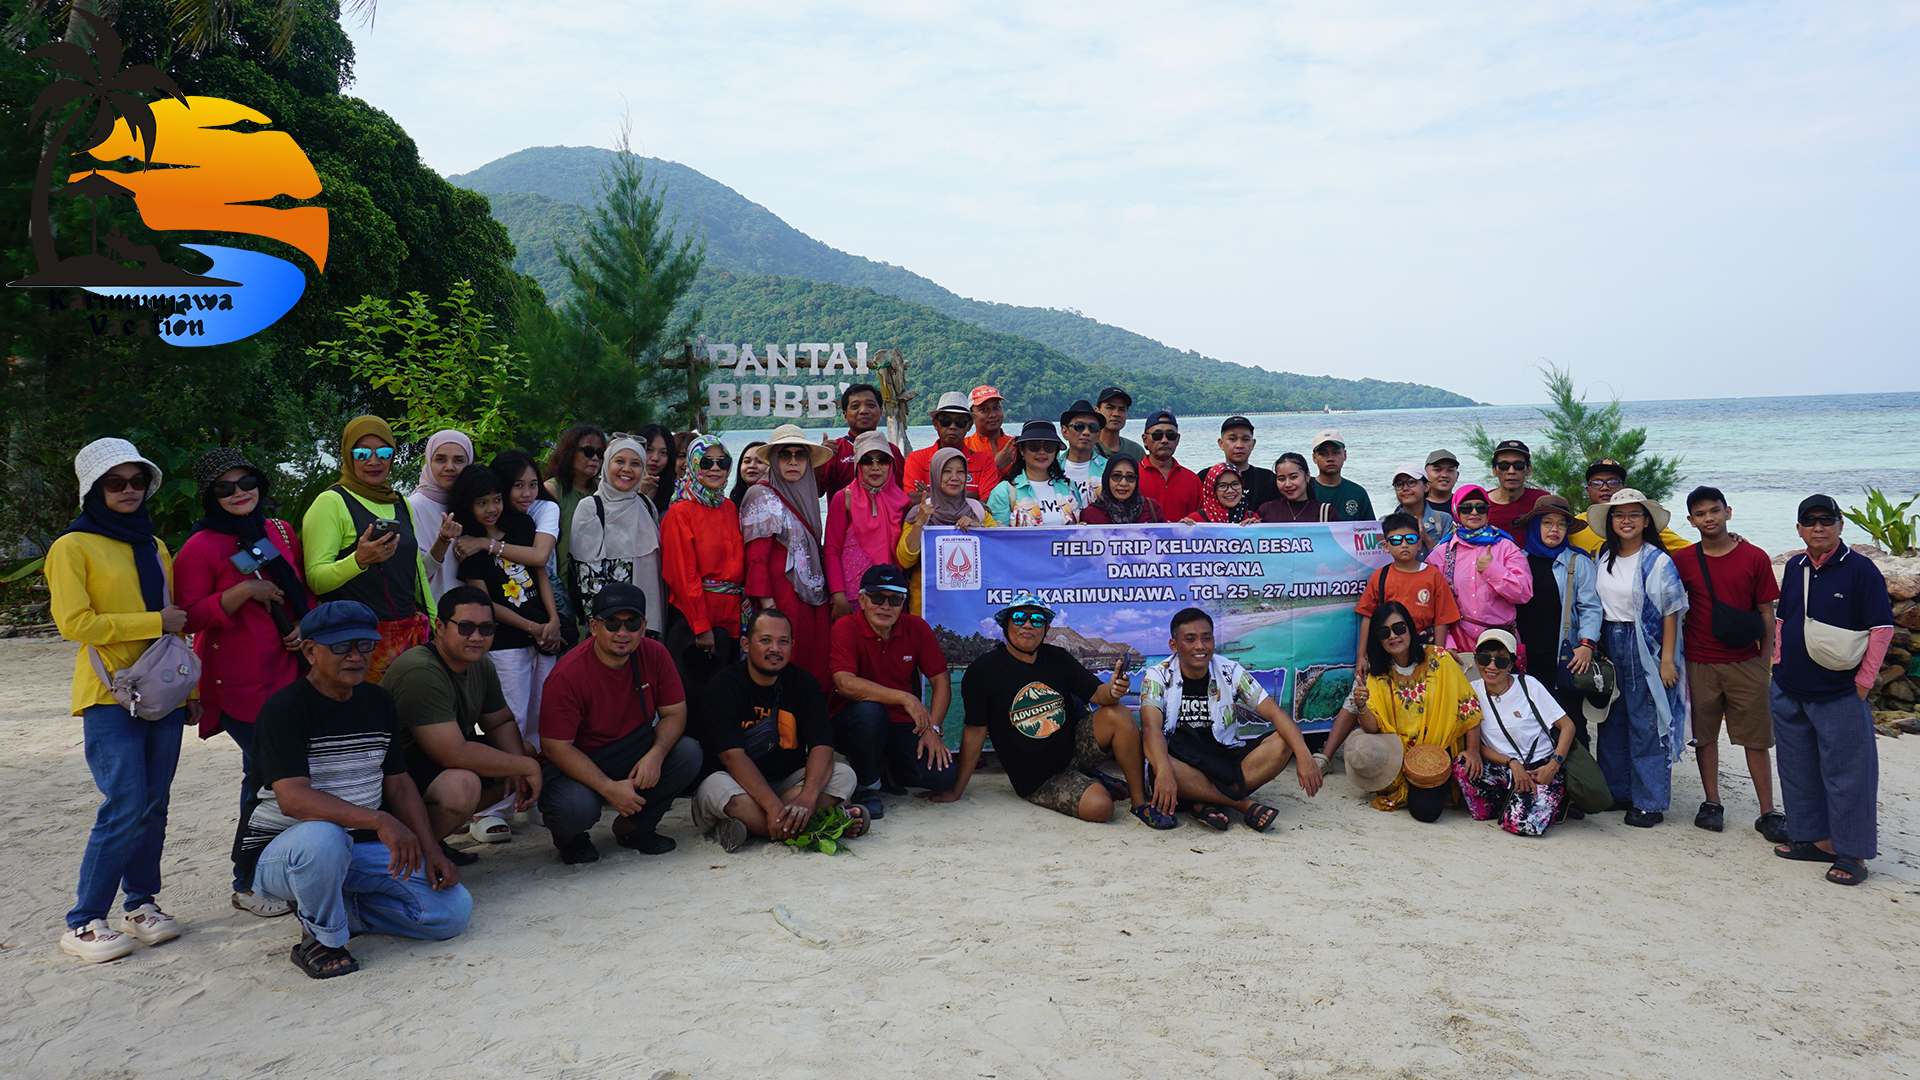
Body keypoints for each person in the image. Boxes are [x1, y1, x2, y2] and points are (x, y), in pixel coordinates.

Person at [238, 600, 471, 979]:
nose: (355, 656)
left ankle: (339, 912)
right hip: (281, 853)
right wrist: (380, 820)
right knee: (322, 838)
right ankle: (319, 939)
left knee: (451, 913)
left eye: (365, 645)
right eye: (341, 646)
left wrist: (432, 850)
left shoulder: (378, 701)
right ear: (310, 651)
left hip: (353, 849)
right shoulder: (285, 709)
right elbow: (293, 799)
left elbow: (399, 782)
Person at [47, 439, 195, 963]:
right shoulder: (72, 547)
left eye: (137, 481)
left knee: (154, 802)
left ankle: (141, 904)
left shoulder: (154, 545)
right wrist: (154, 622)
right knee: (125, 802)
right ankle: (84, 921)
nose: (129, 491)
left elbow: (172, 622)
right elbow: (74, 623)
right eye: (116, 483)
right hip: (109, 693)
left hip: (162, 692)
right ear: (94, 490)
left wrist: (190, 691)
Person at [175, 447, 310, 918]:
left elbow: (297, 587)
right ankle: (247, 880)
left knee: (274, 776)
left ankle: (278, 870)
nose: (239, 494)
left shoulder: (275, 531)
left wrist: (303, 627)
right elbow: (188, 615)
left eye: (246, 483)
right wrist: (241, 591)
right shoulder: (200, 547)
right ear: (210, 496)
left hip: (289, 670)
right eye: (225, 488)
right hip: (238, 682)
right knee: (269, 777)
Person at [941, 594, 1161, 825]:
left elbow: (1098, 693)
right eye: (1018, 618)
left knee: (1118, 713)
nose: (1028, 624)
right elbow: (975, 732)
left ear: (1045, 628)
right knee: (1101, 808)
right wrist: (957, 790)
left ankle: (1140, 802)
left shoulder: (1058, 658)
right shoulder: (982, 671)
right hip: (1039, 778)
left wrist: (1115, 690)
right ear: (1005, 625)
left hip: (1073, 750)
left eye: (1037, 619)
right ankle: (1096, 782)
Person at [1770, 495, 1892, 887]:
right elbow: (1783, 617)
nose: (1818, 527)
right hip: (1790, 684)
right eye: (1810, 521)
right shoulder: (1795, 566)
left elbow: (1882, 629)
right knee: (1797, 766)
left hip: (1839, 690)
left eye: (1827, 519)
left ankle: (1851, 852)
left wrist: (1864, 682)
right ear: (1799, 528)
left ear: (1840, 524)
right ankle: (1814, 840)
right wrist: (1777, 664)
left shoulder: (1861, 570)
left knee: (1849, 774)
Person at [537, 583, 703, 864]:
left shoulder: (655, 654)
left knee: (688, 753)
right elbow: (556, 748)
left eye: (632, 623)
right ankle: (571, 838)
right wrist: (607, 787)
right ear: (593, 626)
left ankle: (635, 827)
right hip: (579, 761)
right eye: (612, 622)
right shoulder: (568, 673)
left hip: (631, 749)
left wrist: (656, 755)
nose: (622, 633)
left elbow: (675, 713)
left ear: (644, 626)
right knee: (574, 809)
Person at [383, 587, 542, 863]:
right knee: (463, 787)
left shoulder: (479, 663)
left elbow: (499, 721)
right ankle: (405, 854)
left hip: (428, 765)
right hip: (390, 777)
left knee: (523, 752)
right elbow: (452, 753)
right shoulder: (420, 669)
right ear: (440, 627)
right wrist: (525, 767)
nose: (477, 637)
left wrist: (520, 763)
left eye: (486, 628)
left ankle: (431, 840)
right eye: (466, 627)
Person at [694, 608, 868, 852]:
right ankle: (820, 825)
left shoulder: (804, 684)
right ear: (745, 644)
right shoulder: (723, 686)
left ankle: (753, 828)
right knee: (715, 788)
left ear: (792, 645)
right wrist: (773, 807)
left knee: (844, 774)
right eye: (765, 640)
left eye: (783, 642)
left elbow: (822, 745)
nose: (775, 649)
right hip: (738, 785)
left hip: (789, 785)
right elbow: (732, 757)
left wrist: (807, 797)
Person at [1139, 608, 1322, 831]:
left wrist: (1303, 754)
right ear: (1174, 645)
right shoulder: (1157, 675)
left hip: (1222, 758)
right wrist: (1164, 771)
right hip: (1180, 760)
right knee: (1163, 764)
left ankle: (1204, 801)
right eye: (1190, 639)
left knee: (1284, 743)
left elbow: (1275, 714)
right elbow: (1150, 729)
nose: (1200, 646)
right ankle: (1242, 804)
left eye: (1207, 638)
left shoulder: (1229, 670)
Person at [1672, 487, 1786, 839]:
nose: (1710, 518)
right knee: (1704, 737)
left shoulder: (1754, 556)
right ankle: (1712, 802)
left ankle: (1768, 810)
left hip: (1746, 660)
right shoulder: (1684, 560)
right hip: (1699, 661)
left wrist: (1766, 658)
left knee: (1756, 739)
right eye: (1702, 513)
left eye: (1715, 511)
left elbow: (1767, 611)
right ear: (1691, 520)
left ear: (1728, 512)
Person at [451, 464, 562, 788]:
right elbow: (485, 605)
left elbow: (540, 572)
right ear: (468, 505)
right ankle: (496, 807)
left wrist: (552, 620)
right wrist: (532, 626)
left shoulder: (522, 526)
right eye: (482, 502)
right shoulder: (469, 547)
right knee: (511, 719)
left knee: (544, 716)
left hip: (543, 638)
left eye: (496, 499)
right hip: (506, 644)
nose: (492, 509)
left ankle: (535, 789)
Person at [300, 416, 433, 684]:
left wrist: (435, 620)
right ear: (348, 456)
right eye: (361, 453)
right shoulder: (331, 502)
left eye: (384, 453)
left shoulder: (400, 502)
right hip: (358, 642)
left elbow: (415, 570)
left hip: (410, 635)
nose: (374, 462)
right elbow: (316, 579)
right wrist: (358, 560)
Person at [1588, 489, 1689, 827]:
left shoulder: (1657, 560)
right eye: (1619, 515)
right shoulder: (1604, 555)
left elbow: (1671, 611)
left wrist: (1667, 661)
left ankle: (1650, 801)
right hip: (1609, 637)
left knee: (1647, 720)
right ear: (1610, 522)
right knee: (1612, 718)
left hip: (1644, 645)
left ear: (1646, 521)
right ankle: (1618, 791)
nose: (1626, 521)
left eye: (1633, 514)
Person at [1330, 601, 1482, 820]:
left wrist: (1474, 750)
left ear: (1410, 629)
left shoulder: (1439, 659)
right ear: (1378, 639)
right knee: (1422, 807)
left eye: (1399, 628)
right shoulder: (1377, 674)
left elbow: (1469, 706)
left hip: (1435, 755)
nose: (1393, 636)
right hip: (1397, 758)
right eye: (1384, 632)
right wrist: (1361, 706)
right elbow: (1373, 727)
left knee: (1426, 812)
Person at [829, 565, 957, 818]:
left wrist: (934, 729)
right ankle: (867, 787)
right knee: (870, 712)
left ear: (903, 603)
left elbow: (941, 680)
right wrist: (904, 697)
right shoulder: (845, 627)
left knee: (944, 777)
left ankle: (886, 770)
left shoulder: (917, 628)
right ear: (863, 600)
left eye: (895, 599)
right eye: (877, 598)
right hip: (853, 721)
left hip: (900, 723)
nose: (885, 606)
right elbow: (844, 683)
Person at [1455, 629, 1578, 837]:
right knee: (1462, 766)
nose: (1491, 666)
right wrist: (1512, 763)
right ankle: (1516, 801)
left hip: (1540, 768)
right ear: (1476, 659)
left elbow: (1567, 726)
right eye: (1485, 658)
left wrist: (1554, 764)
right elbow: (1477, 746)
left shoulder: (1528, 685)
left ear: (1511, 664)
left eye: (1501, 661)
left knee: (1521, 825)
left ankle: (1552, 801)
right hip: (1504, 766)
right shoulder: (1471, 691)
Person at [740, 425, 837, 687]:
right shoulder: (760, 494)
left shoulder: (806, 494)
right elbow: (756, 558)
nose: (793, 462)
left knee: (815, 664)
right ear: (773, 460)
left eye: (800, 455)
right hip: (780, 600)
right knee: (784, 663)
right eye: (785, 455)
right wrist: (768, 607)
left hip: (812, 598)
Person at [1509, 495, 1603, 749]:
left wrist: (1586, 645)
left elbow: (1590, 608)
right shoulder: (1518, 559)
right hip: (1525, 657)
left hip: (1563, 657)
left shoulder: (1578, 561)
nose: (1554, 529)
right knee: (1530, 722)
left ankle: (1579, 784)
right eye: (1547, 522)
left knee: (1571, 722)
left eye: (1561, 525)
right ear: (1535, 525)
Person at [661, 433, 747, 681]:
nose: (716, 468)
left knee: (726, 691)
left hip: (730, 617)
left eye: (723, 462)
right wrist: (701, 626)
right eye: (707, 462)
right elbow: (682, 575)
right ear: (693, 465)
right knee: (696, 694)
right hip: (695, 619)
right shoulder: (680, 511)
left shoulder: (728, 506)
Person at [569, 433, 664, 641]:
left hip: (647, 622)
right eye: (619, 461)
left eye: (636, 464)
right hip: (609, 628)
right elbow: (587, 580)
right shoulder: (590, 508)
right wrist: (608, 628)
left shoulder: (646, 505)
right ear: (606, 465)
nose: (627, 469)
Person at [1426, 485, 1532, 653]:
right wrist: (1448, 642)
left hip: (1501, 641)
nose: (1474, 512)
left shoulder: (1506, 547)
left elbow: (1524, 593)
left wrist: (1493, 570)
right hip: (1459, 643)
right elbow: (1432, 606)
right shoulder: (1441, 553)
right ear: (1456, 510)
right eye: (1466, 507)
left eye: (1481, 508)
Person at [897, 447, 994, 613]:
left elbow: (1000, 553)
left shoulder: (978, 511)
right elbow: (905, 559)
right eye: (947, 471)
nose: (954, 478)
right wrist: (920, 523)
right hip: (928, 607)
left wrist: (979, 530)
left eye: (961, 472)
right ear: (935, 474)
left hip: (972, 606)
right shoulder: (920, 512)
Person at [825, 430, 909, 620]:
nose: (875, 466)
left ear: (892, 465)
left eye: (882, 460)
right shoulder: (844, 497)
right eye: (866, 460)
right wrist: (838, 597)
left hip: (891, 595)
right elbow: (831, 550)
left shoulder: (902, 501)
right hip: (853, 595)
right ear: (857, 466)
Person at [544, 423, 607, 632]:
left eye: (600, 453)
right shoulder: (553, 489)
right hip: (560, 587)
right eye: (588, 452)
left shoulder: (602, 494)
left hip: (594, 586)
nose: (595, 458)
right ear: (570, 451)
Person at [1570, 459, 1692, 555]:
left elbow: (1689, 552)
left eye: (1613, 482)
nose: (1604, 488)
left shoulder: (1641, 524)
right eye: (1596, 483)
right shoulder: (1576, 526)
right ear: (1587, 490)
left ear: (1624, 488)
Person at [409, 429, 474, 601]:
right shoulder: (415, 505)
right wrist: (442, 541)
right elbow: (418, 574)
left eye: (459, 460)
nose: (449, 467)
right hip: (436, 613)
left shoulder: (475, 503)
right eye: (440, 459)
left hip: (474, 613)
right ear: (429, 462)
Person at [985, 419, 1083, 527]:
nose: (1042, 452)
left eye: (1049, 446)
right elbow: (995, 536)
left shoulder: (1070, 487)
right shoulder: (1004, 492)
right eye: (1034, 446)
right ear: (1022, 450)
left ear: (1056, 451)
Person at [903, 391, 998, 500]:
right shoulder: (917, 459)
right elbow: (912, 499)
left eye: (960, 422)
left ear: (969, 426)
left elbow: (986, 502)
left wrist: (931, 495)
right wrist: (968, 495)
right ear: (935, 424)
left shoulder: (985, 461)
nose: (952, 427)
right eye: (946, 421)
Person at [820, 383, 906, 498]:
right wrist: (818, 459)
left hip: (890, 516)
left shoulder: (892, 451)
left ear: (880, 412)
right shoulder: (835, 450)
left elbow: (903, 492)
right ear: (845, 415)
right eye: (855, 407)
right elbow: (815, 491)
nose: (863, 411)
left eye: (870, 405)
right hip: (845, 515)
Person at [1137, 410, 1202, 522]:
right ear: (1145, 440)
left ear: (1177, 440)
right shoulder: (1131, 477)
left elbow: (1203, 521)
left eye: (1170, 435)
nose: (1164, 440)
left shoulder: (1193, 480)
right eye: (1157, 435)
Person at [1483, 440, 1548, 537]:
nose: (1511, 471)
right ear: (1494, 470)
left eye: (1518, 465)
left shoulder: (1542, 500)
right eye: (1504, 466)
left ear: (1528, 470)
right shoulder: (1481, 503)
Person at [1080, 454, 1165, 525]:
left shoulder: (1152, 509)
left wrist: (1175, 530)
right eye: (1116, 476)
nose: (1123, 483)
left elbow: (1164, 540)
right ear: (1106, 479)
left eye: (1130, 477)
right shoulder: (1090, 515)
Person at [1217, 416, 1280, 511]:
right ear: (1221, 443)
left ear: (1253, 444)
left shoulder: (1268, 479)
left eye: (1245, 440)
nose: (1239, 445)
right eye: (1232, 439)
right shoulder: (1206, 478)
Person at [1308, 430, 1373, 521]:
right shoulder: (1305, 491)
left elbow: (1370, 530)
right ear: (1314, 458)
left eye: (1335, 453)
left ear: (1345, 455)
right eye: (1323, 454)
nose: (1330, 458)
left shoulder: (1358, 493)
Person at [1056, 399, 1110, 507]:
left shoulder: (1110, 469)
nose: (1086, 432)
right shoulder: (1051, 469)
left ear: (1098, 435)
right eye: (1079, 426)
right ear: (1065, 432)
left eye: (1093, 428)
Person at [1257, 452, 1338, 523]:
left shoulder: (1326, 513)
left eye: (1293, 477)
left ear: (1307, 476)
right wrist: (1250, 527)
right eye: (1281, 479)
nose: (1288, 484)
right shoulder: (1266, 511)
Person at [1391, 463, 1452, 551]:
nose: (1405, 488)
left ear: (1426, 486)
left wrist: (1426, 537)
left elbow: (1448, 559)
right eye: (1399, 484)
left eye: (1411, 482)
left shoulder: (1443, 519)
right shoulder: (1385, 522)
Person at [965, 385, 1018, 480]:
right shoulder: (963, 448)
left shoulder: (1018, 446)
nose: (992, 415)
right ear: (971, 416)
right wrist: (996, 465)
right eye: (984, 410)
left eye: (997, 407)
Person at [1188, 463, 1257, 524]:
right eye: (1222, 486)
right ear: (1212, 490)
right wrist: (1183, 529)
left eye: (1235, 484)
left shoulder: (1252, 518)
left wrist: (1258, 530)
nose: (1230, 490)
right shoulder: (1195, 520)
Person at [635, 422, 678, 518]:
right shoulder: (619, 489)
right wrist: (642, 496)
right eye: (649, 450)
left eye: (663, 453)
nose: (655, 458)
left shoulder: (676, 495)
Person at [1094, 386, 1146, 464]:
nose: (1116, 414)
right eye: (1110, 408)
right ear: (1097, 411)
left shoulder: (1136, 451)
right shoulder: (1086, 449)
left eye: (1122, 409)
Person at [728, 440, 768, 506]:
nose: (752, 466)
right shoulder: (732, 504)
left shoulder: (776, 501)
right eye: (747, 461)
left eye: (760, 461)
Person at [1425, 449, 1460, 518]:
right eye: (1437, 470)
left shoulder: (1463, 505)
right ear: (1425, 474)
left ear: (1457, 476)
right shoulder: (1416, 506)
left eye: (1450, 470)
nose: (1444, 475)